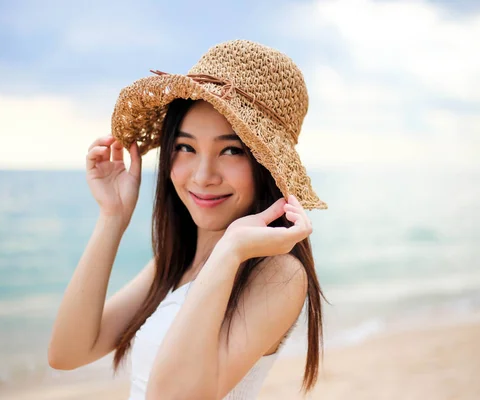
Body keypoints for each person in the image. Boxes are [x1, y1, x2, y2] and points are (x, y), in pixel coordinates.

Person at [48, 39, 328, 399]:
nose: (202, 175)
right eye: (186, 147)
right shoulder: (177, 264)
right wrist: (112, 217)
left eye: (231, 150)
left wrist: (229, 252)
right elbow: (67, 352)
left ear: (267, 167)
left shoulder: (278, 274)